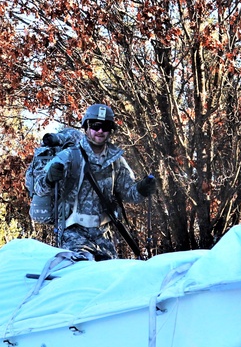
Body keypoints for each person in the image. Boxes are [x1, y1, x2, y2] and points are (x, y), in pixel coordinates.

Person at [35, 104, 156, 260]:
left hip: (104, 234)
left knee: (110, 276)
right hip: (73, 232)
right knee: (81, 272)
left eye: (105, 127)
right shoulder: (69, 156)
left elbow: (129, 194)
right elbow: (40, 188)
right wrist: (49, 179)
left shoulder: (116, 160)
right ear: (86, 126)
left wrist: (142, 188)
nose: (100, 131)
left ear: (110, 130)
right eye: (95, 126)